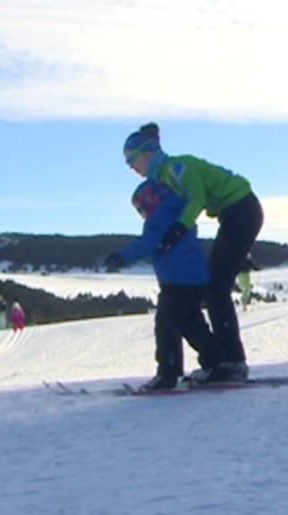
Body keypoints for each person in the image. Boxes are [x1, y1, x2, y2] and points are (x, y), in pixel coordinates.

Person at [123, 122, 262, 381]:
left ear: (147, 153)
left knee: (217, 287)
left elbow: (195, 198)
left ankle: (232, 362)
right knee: (214, 287)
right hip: (235, 212)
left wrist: (177, 229)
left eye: (131, 159)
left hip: (241, 208)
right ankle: (225, 360)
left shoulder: (176, 167)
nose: (131, 166)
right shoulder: (163, 173)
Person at [104, 179, 226, 391]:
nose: (142, 214)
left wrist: (121, 257)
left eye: (141, 208)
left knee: (166, 325)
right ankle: (216, 364)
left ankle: (168, 374)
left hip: (177, 280)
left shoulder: (159, 217)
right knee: (191, 324)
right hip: (195, 278)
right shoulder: (178, 211)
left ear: (151, 201)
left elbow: (148, 242)